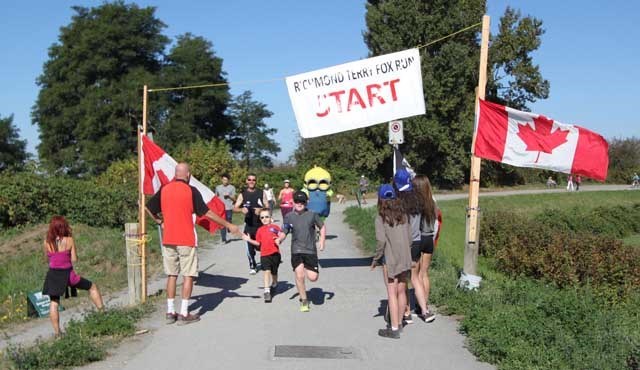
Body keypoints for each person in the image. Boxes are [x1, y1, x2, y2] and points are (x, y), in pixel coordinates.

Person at [147, 163, 240, 326]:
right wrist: (228, 225)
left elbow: (148, 207)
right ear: (188, 175)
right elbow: (207, 213)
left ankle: (170, 312)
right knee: (188, 275)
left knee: (171, 275)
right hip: (186, 239)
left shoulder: (164, 189)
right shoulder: (191, 190)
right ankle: (184, 313)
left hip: (168, 239)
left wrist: (159, 221)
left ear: (175, 174)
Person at [42, 216, 104, 336]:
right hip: (68, 275)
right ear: (63, 227)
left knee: (54, 303)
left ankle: (57, 333)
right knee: (92, 287)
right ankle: (103, 314)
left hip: (53, 275)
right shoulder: (69, 240)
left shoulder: (46, 242)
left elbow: (47, 258)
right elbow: (74, 259)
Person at [371, 184, 412, 339]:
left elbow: (381, 241)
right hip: (405, 257)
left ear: (380, 199)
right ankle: (399, 323)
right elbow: (409, 239)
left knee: (391, 293)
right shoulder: (404, 215)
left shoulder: (381, 218)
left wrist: (376, 259)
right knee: (402, 290)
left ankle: (393, 328)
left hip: (391, 258)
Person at [277, 191, 326, 312]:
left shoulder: (312, 214)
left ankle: (305, 268)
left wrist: (322, 240)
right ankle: (304, 300)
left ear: (306, 202)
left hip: (310, 250)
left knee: (313, 277)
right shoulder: (289, 216)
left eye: (302, 202)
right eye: (297, 201)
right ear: (293, 202)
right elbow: (285, 230)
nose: (299, 204)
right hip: (296, 250)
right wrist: (280, 239)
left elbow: (322, 227)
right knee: (299, 275)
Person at [410, 174, 439, 322]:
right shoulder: (432, 202)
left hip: (419, 238)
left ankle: (416, 306)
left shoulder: (416, 203)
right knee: (424, 273)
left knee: (414, 275)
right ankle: (424, 306)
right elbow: (436, 222)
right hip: (429, 239)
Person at [241, 209, 282, 303]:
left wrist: (278, 239)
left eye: (266, 217)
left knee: (274, 271)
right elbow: (258, 243)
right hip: (264, 255)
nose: (264, 219)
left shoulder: (275, 227)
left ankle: (275, 282)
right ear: (260, 219)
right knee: (266, 271)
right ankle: (267, 291)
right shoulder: (259, 230)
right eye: (262, 217)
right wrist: (249, 239)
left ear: (271, 218)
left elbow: (281, 235)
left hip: (275, 254)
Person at [234, 173, 269, 275]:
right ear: (246, 181)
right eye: (249, 179)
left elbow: (267, 206)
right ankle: (252, 265)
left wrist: (261, 210)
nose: (251, 181)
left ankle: (265, 262)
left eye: (253, 180)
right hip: (249, 225)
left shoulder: (261, 193)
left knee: (262, 246)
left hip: (260, 225)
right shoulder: (243, 194)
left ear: (256, 181)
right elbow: (235, 208)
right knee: (249, 246)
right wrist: (241, 210)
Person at [214, 173, 236, 244]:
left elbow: (234, 199)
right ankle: (224, 239)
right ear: (221, 180)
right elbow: (215, 197)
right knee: (222, 223)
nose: (224, 181)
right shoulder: (218, 187)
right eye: (223, 180)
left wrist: (229, 196)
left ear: (228, 181)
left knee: (229, 220)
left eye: (226, 180)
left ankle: (229, 228)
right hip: (221, 208)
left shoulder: (232, 188)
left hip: (229, 207)